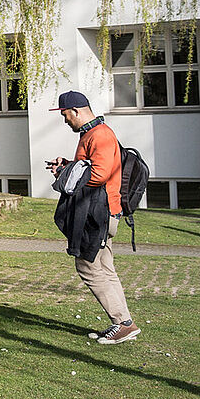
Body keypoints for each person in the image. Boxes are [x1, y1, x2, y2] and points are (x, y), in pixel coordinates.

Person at [48, 90, 140, 345]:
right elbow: (88, 167)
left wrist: (65, 173)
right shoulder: (93, 133)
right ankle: (124, 323)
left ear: (76, 111)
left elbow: (98, 174)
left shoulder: (99, 135)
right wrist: (67, 165)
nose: (65, 120)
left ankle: (122, 323)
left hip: (99, 213)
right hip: (100, 211)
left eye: (65, 115)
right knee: (104, 268)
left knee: (87, 266)